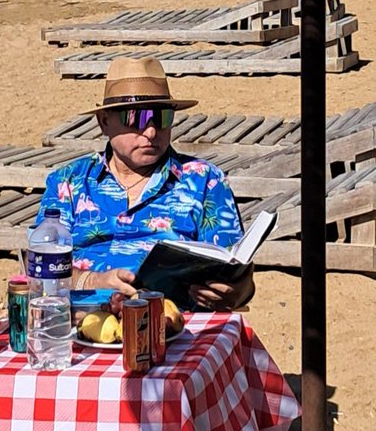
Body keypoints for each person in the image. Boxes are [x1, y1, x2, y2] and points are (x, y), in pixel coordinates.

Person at [37, 57, 255, 310]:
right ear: (104, 122)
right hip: (81, 319)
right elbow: (40, 267)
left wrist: (236, 293)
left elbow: (240, 275)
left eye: (161, 118)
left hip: (176, 324)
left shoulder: (205, 180)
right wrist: (94, 280)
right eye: (136, 118)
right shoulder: (68, 183)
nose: (151, 132)